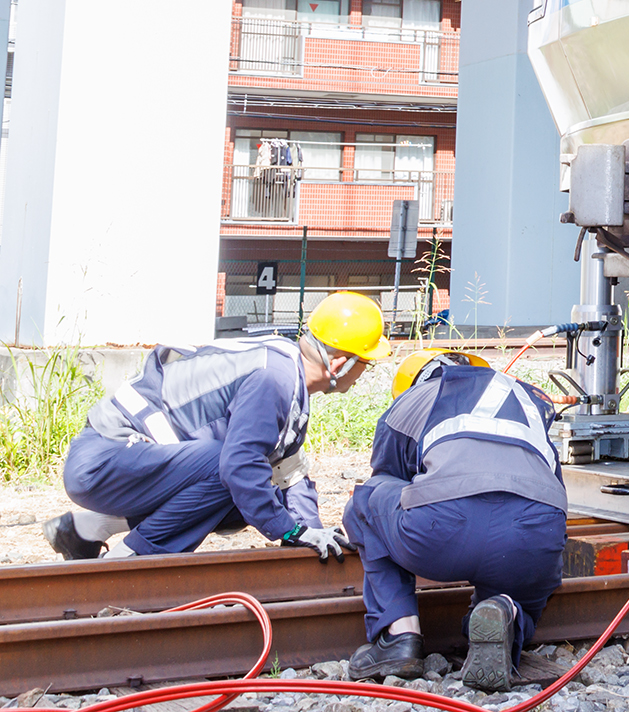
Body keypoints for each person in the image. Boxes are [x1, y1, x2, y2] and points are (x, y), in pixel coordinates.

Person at [43, 291, 387, 560]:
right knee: (236, 474)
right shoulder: (274, 380)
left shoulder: (288, 377)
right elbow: (238, 467)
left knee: (246, 498)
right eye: (365, 365)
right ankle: (128, 562)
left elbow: (289, 473)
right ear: (340, 363)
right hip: (104, 459)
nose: (363, 375)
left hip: (126, 463)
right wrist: (288, 531)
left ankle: (89, 528)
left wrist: (310, 535)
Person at [343, 349, 568, 690]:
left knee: (367, 500)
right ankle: (506, 612)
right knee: (519, 581)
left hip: (443, 533)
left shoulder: (414, 398)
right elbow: (552, 484)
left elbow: (388, 476)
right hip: (533, 539)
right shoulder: (528, 400)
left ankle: (398, 635)